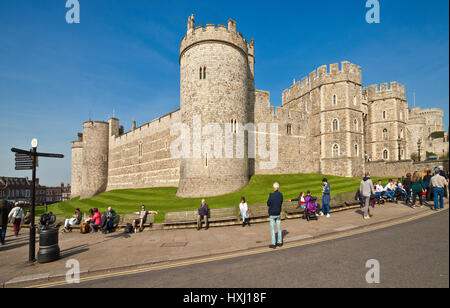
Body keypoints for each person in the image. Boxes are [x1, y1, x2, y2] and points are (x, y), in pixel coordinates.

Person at [267, 182, 283, 249]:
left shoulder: (271, 195)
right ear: (278, 187)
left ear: (274, 188)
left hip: (272, 214)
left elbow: (268, 203)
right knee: (279, 229)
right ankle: (279, 242)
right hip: (278, 213)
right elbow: (281, 202)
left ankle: (273, 244)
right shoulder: (281, 195)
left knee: (272, 229)